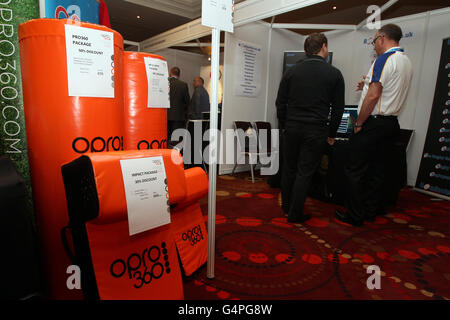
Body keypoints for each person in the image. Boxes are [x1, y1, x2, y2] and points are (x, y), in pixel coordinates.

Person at [335, 24, 413, 226]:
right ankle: (371, 211)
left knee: (355, 169)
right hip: (391, 124)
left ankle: (355, 215)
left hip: (374, 124)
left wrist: (359, 122)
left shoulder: (384, 59)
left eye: (374, 41)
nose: (374, 46)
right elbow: (383, 90)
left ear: (381, 38)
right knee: (378, 170)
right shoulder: (406, 61)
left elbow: (374, 95)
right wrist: (367, 87)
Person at [276, 33, 345, 223]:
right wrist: (332, 133)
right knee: (305, 172)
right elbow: (338, 109)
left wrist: (284, 125)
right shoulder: (334, 74)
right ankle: (295, 213)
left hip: (292, 128)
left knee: (289, 169)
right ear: (324, 47)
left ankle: (286, 206)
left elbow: (280, 103)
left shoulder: (291, 72)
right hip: (315, 130)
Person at [168, 67, 190, 141]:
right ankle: (177, 152)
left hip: (166, 116)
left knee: (167, 137)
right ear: (179, 74)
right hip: (179, 116)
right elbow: (187, 101)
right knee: (177, 139)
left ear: (170, 73)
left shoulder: (165, 83)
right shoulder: (183, 85)